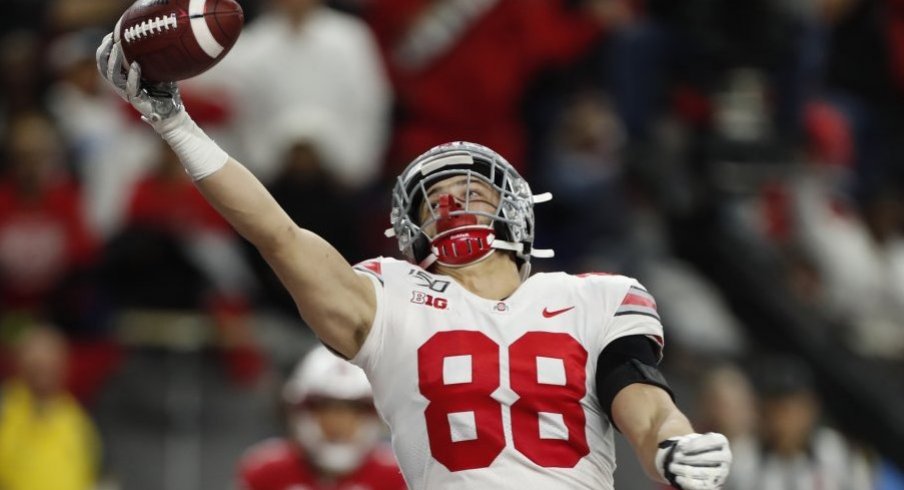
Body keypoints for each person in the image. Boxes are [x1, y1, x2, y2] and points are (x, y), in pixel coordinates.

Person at [95, 35, 732, 489]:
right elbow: (280, 237)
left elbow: (642, 402)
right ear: (409, 229)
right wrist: (174, 122)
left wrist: (671, 443)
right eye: (436, 199)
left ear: (515, 207)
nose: (454, 201)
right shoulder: (388, 295)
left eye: (473, 189)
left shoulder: (600, 296)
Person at [237, 345, 405, 489]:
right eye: (325, 409)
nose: (338, 424)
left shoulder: (399, 476)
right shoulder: (266, 472)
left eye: (353, 411)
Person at [0, 325, 101, 490]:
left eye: (49, 364)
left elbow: (89, 476)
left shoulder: (78, 421)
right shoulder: (5, 407)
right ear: (19, 364)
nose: (42, 371)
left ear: (64, 366)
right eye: (35, 364)